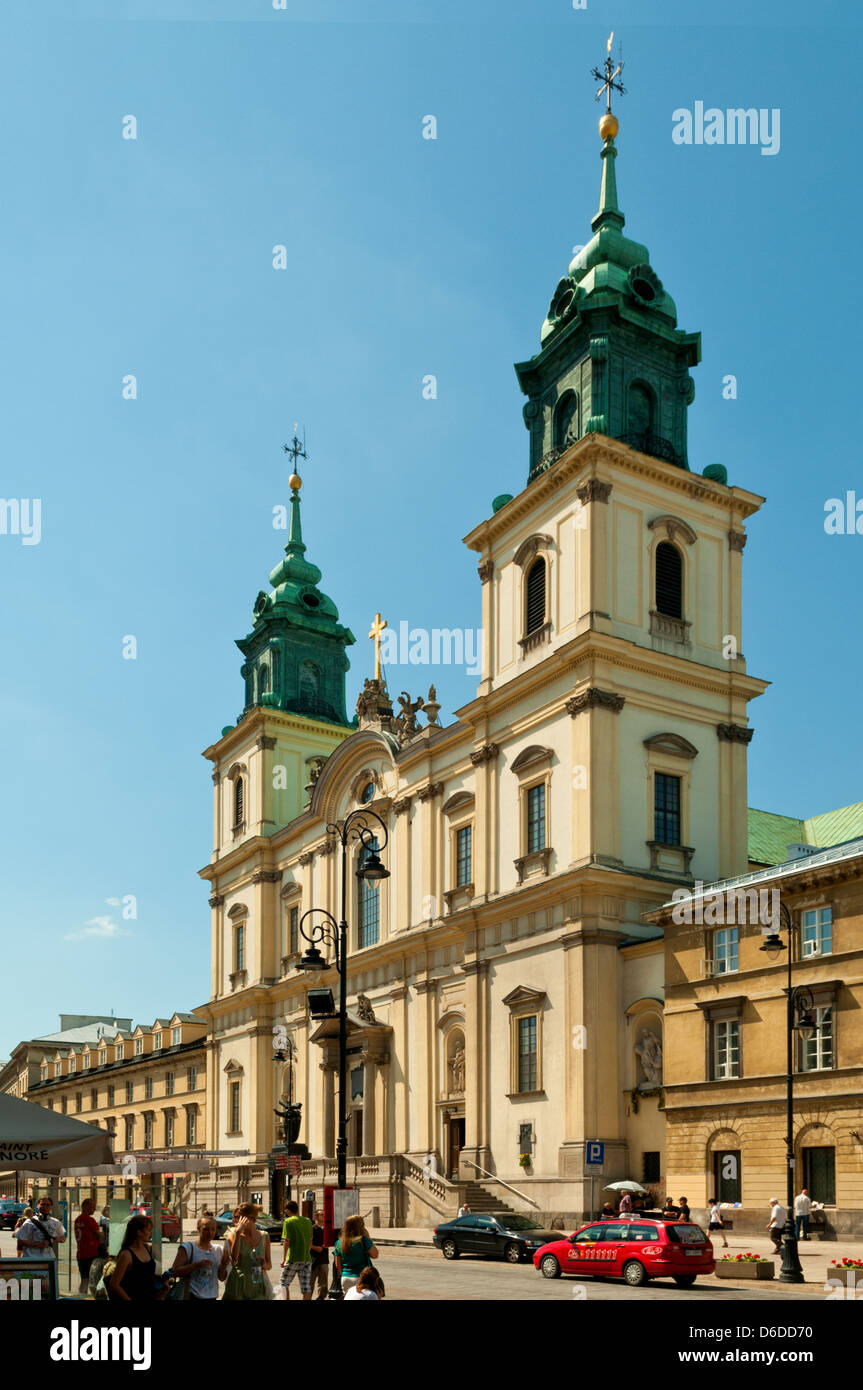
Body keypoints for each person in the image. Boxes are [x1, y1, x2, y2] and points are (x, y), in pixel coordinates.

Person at [109, 1215, 169, 1302]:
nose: (150, 1233)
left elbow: (142, 1274)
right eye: (148, 1230)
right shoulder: (126, 1255)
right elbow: (114, 1284)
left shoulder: (147, 1248)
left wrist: (160, 1279)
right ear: (139, 1232)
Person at [171, 1215, 230, 1300]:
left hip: (212, 1296)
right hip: (191, 1295)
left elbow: (221, 1278)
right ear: (198, 1229)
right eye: (206, 1229)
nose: (210, 1232)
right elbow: (174, 1272)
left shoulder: (218, 1250)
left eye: (213, 1229)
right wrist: (196, 1265)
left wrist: (224, 1266)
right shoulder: (188, 1248)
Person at [223, 1203, 272, 1301]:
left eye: (239, 1218)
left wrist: (263, 1265)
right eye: (235, 1217)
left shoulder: (264, 1236)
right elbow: (234, 1259)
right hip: (238, 1285)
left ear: (252, 1219)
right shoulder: (233, 1233)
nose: (236, 1221)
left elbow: (269, 1265)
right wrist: (238, 1233)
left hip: (257, 1285)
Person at [334, 1215, 378, 1296]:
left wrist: (344, 1273)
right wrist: (368, 1238)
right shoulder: (363, 1240)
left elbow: (338, 1265)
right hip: (362, 1278)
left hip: (345, 1278)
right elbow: (375, 1255)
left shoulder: (339, 1243)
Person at [280, 1199, 313, 1301]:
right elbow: (310, 1241)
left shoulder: (288, 1221)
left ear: (288, 1210)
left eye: (285, 1210)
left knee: (284, 1283)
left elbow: (286, 1241)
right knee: (306, 1286)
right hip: (306, 1258)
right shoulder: (307, 1221)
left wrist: (284, 1259)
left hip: (293, 1257)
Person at [74, 1198, 102, 1295]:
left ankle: (82, 1297)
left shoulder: (77, 1220)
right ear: (85, 1207)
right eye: (92, 1207)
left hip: (81, 1254)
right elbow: (99, 1234)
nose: (94, 1209)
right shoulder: (89, 1220)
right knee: (94, 1280)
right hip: (92, 1254)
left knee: (84, 1279)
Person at [309, 1209, 329, 1301]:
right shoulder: (312, 1228)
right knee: (310, 1281)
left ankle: (321, 1298)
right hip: (313, 1259)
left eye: (324, 1214)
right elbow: (308, 1244)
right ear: (316, 1216)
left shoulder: (326, 1229)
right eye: (322, 1214)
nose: (324, 1216)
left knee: (323, 1282)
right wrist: (316, 1248)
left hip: (324, 1259)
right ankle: (307, 1297)